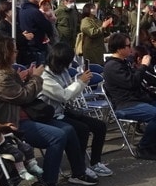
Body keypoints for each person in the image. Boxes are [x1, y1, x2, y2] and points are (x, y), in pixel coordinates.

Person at [0, 35, 73, 186]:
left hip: (22, 116)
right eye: (14, 51)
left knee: (68, 128)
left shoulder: (2, 73)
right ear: (5, 54)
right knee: (58, 136)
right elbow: (24, 96)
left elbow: (18, 93)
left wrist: (25, 78)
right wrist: (36, 77)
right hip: (11, 124)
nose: (17, 53)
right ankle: (49, 183)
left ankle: (77, 172)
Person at [103, 32, 156, 160]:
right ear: (119, 48)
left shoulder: (124, 62)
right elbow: (132, 82)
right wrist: (143, 66)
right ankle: (143, 147)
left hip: (139, 99)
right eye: (128, 46)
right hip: (126, 104)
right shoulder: (112, 66)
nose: (131, 49)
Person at [40, 42, 111, 178]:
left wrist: (80, 82)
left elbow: (70, 91)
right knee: (82, 129)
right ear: (61, 61)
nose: (70, 64)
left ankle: (95, 162)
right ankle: (79, 167)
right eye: (68, 61)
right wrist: (80, 82)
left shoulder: (62, 72)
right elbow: (64, 95)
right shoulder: (45, 77)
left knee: (100, 126)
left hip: (65, 110)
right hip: (52, 114)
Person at [17, 0, 53, 66]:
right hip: (37, 47)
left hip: (27, 46)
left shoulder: (21, 10)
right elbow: (47, 27)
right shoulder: (35, 12)